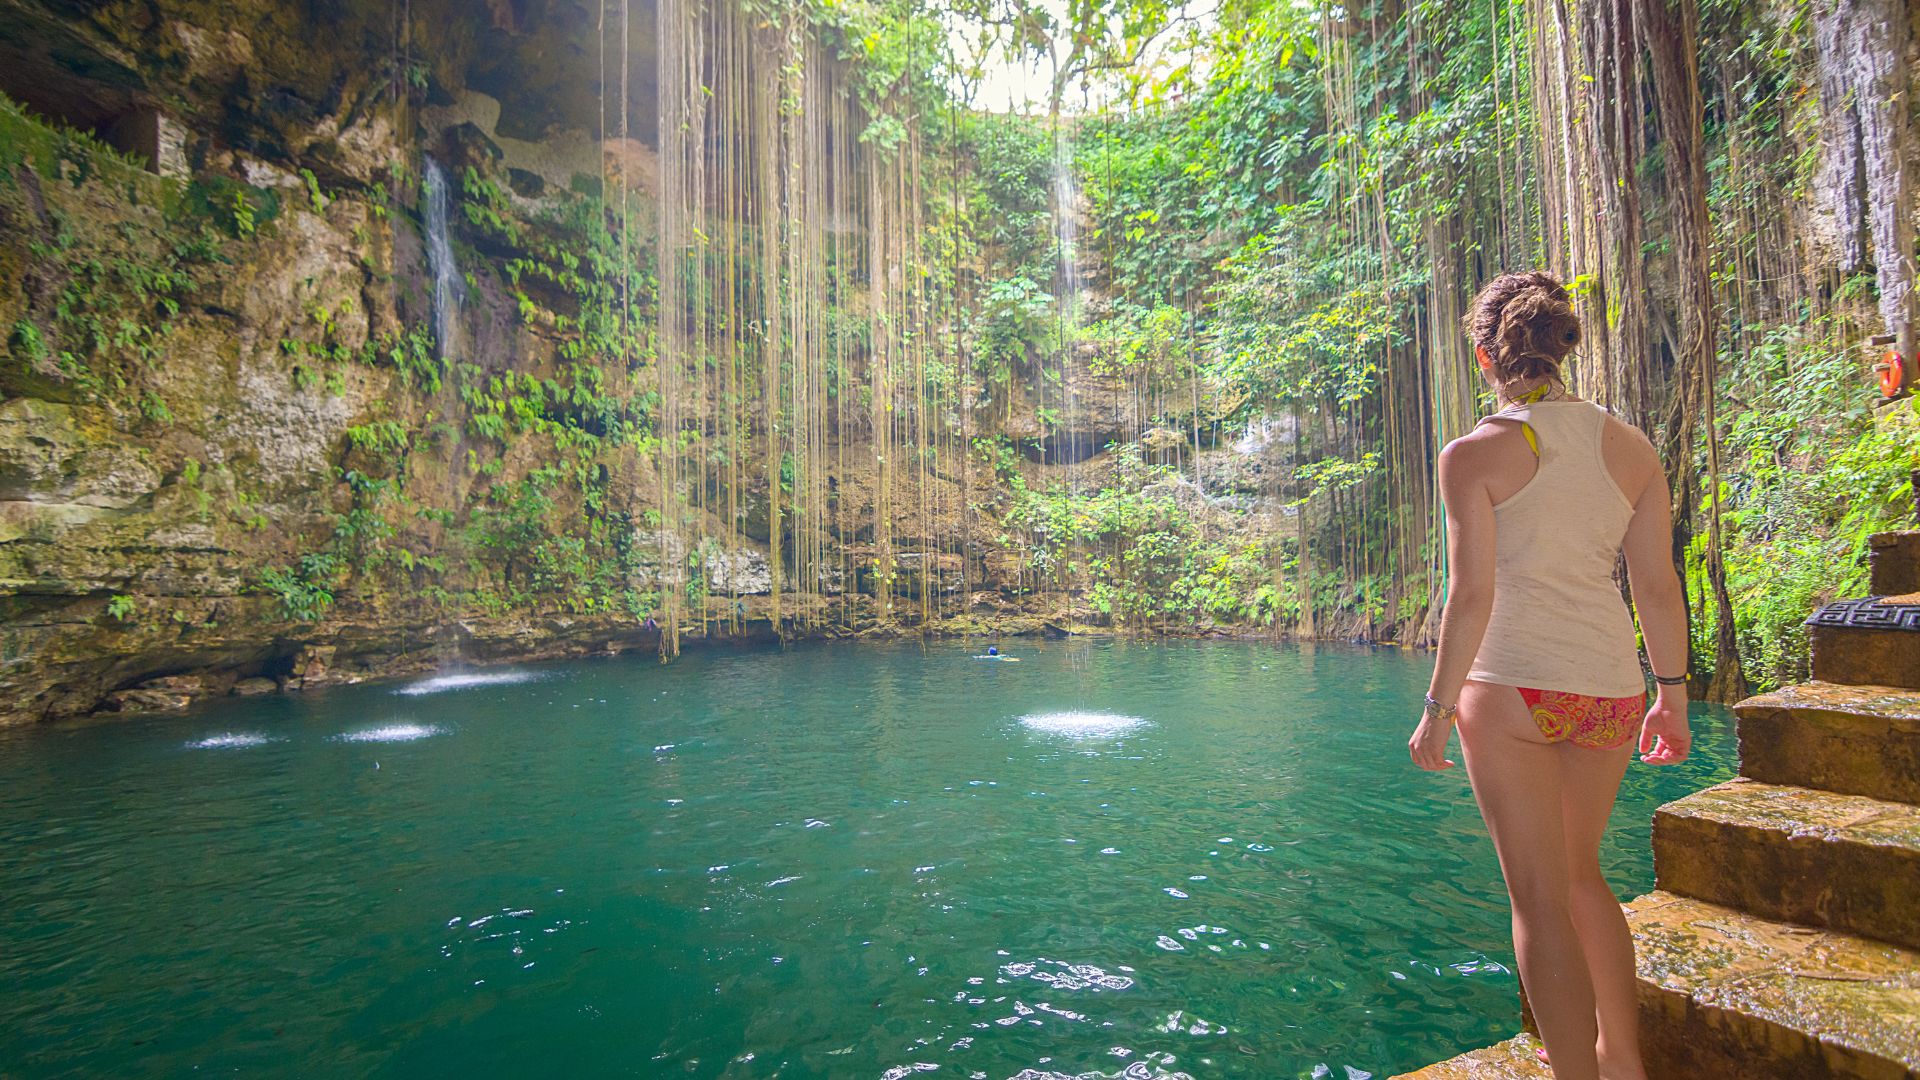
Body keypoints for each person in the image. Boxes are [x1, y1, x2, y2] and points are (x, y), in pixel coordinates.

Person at [1408, 271, 1691, 1080]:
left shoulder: (1473, 456)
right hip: (1610, 685)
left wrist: (1437, 707)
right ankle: (1624, 1062)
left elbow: (1471, 597)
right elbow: (1657, 586)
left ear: (1483, 355)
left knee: (1537, 898)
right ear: (1566, 345)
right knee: (1582, 877)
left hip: (1509, 689)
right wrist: (1671, 698)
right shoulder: (1631, 447)